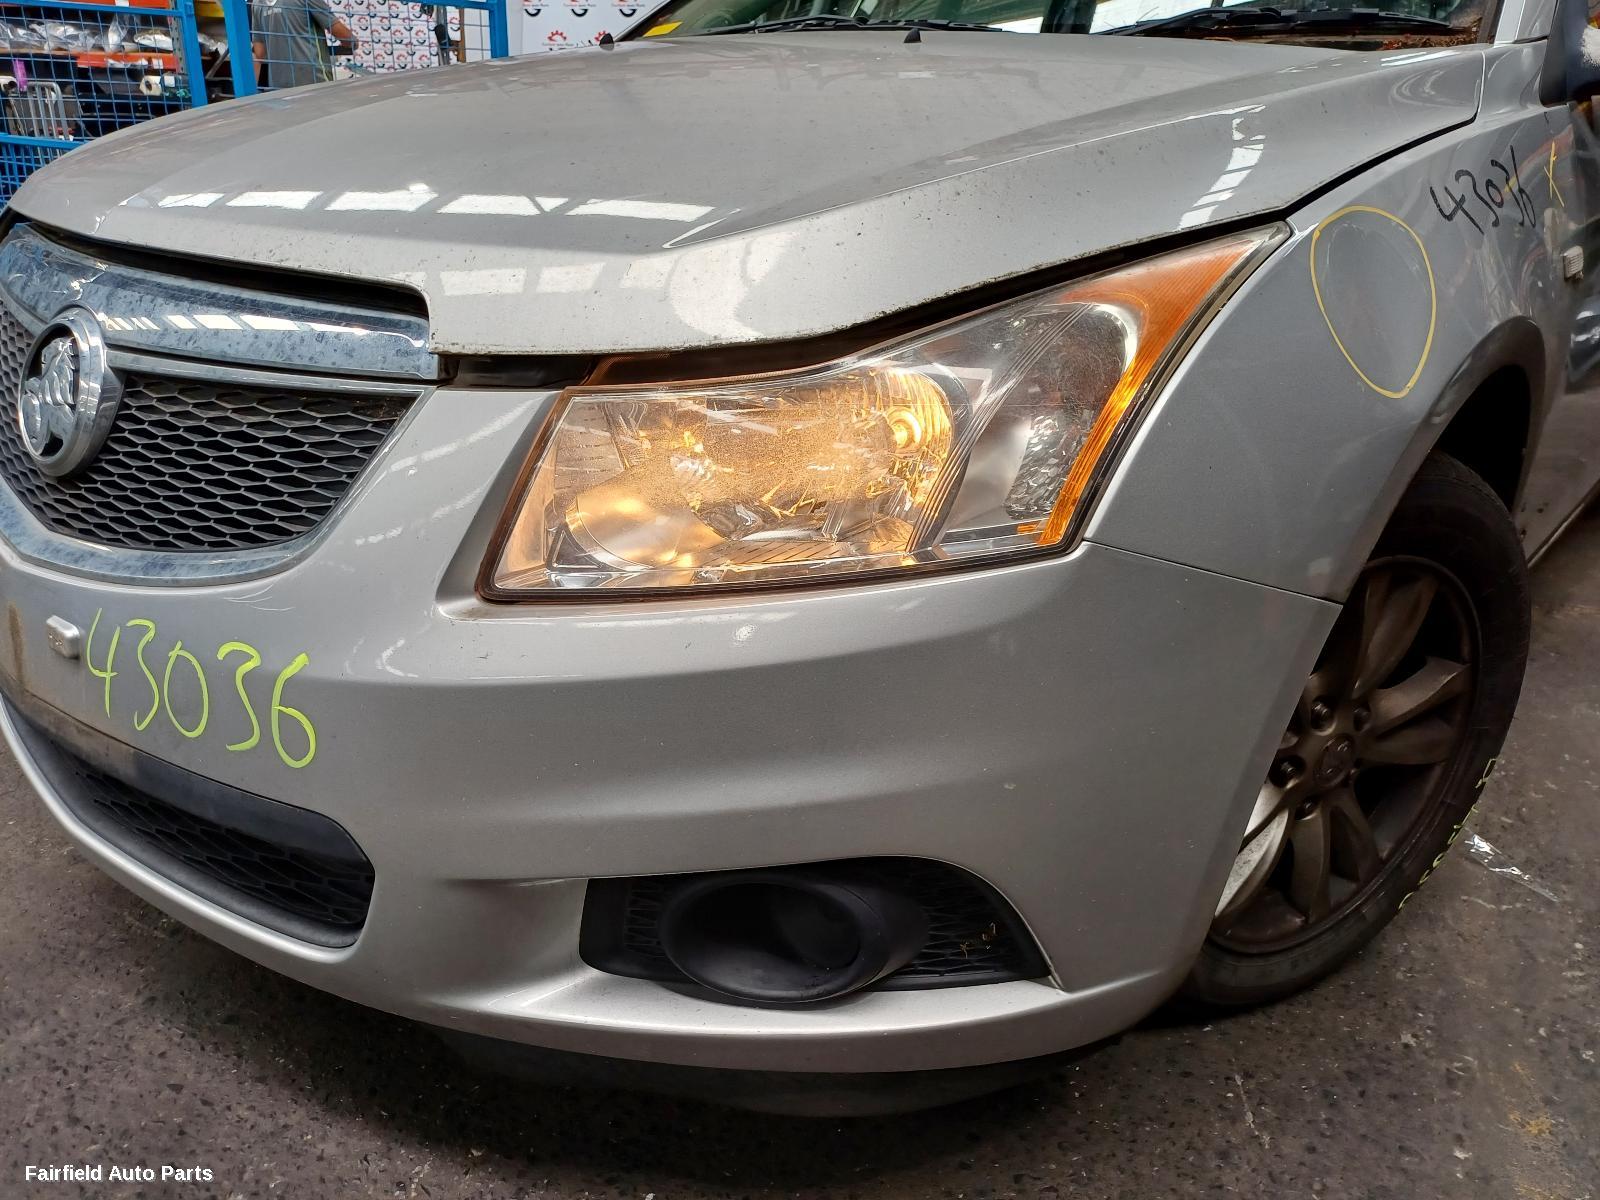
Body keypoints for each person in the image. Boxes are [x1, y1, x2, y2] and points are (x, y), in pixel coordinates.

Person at [249, 0, 358, 90]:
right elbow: (343, 35)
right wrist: (353, 42)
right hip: (313, 81)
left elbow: (260, 53)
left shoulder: (257, 4)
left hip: (278, 84)